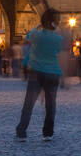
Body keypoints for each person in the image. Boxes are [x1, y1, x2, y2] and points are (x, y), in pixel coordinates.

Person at [15, 9, 65, 141]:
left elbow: (28, 36)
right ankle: (47, 133)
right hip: (53, 73)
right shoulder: (58, 38)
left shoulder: (36, 35)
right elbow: (58, 50)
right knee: (51, 105)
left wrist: (38, 27)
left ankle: (22, 132)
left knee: (29, 104)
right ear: (54, 22)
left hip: (36, 72)